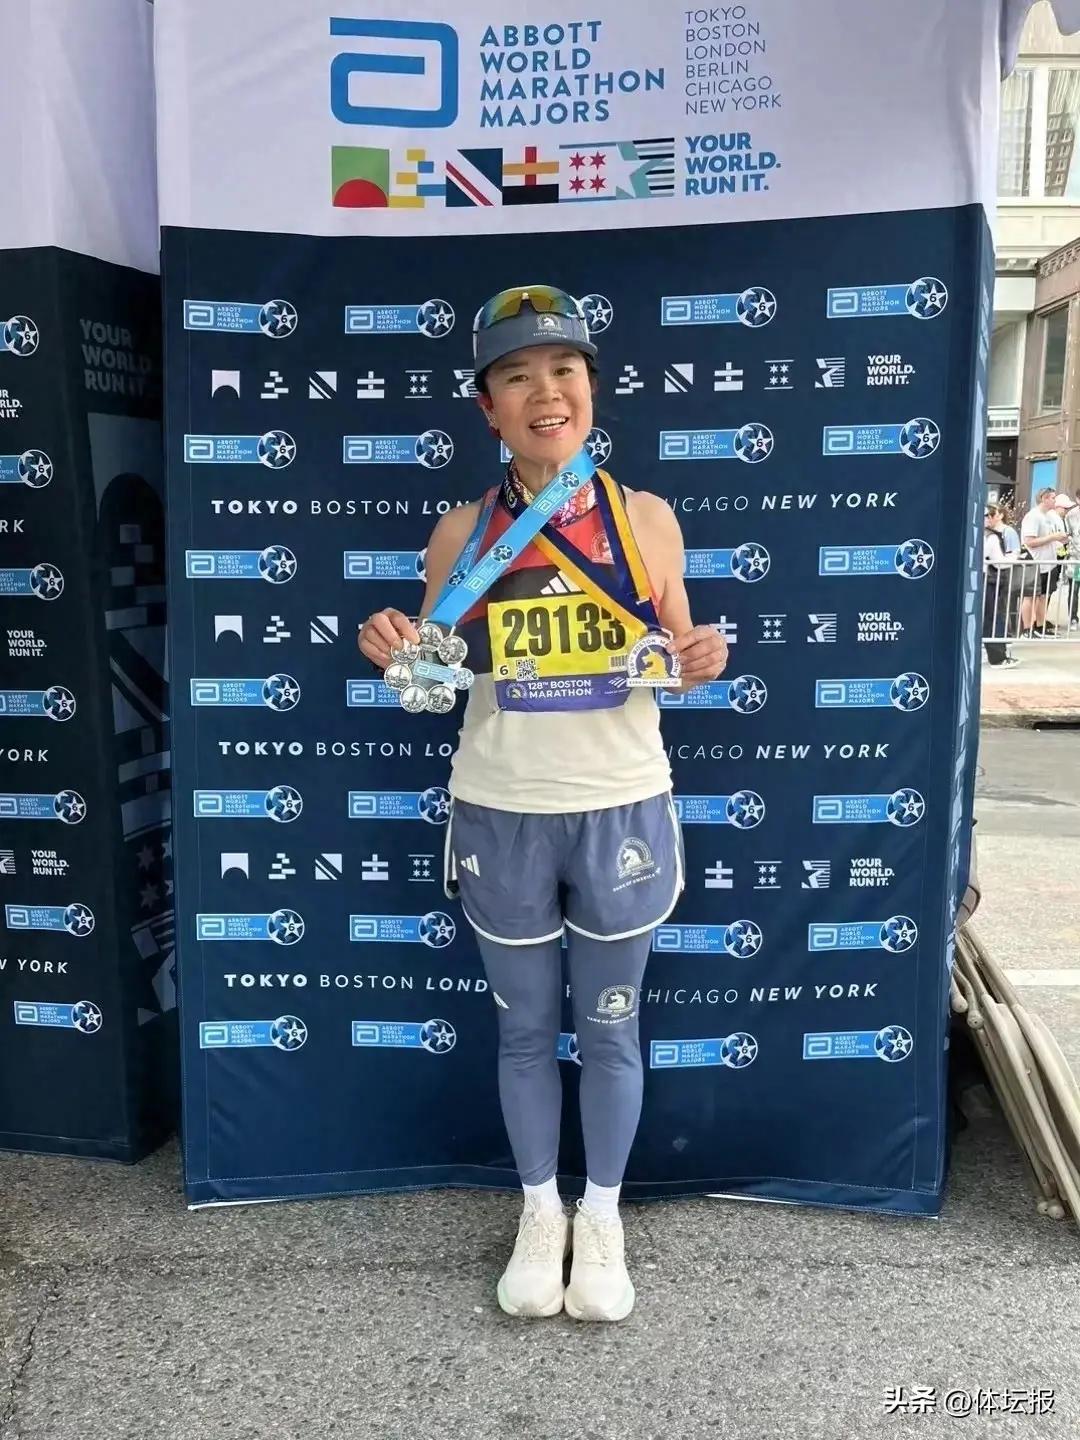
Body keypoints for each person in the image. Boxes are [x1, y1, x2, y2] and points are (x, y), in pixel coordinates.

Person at [358, 285, 728, 1323]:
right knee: (524, 1032)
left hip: (619, 805)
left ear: (591, 390)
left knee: (610, 1028)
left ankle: (600, 1214)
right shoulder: (460, 533)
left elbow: (674, 657)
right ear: (489, 407)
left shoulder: (645, 520)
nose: (544, 392)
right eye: (516, 376)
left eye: (563, 370)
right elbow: (432, 685)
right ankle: (538, 1210)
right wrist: (393, 651)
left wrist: (699, 657)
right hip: (502, 806)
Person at [1019, 487, 1068, 632]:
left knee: (1044, 596)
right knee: (1030, 596)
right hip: (1035, 562)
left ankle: (1040, 626)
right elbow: (1029, 541)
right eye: (1052, 498)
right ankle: (1027, 628)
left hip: (1049, 562)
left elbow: (1052, 537)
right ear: (1044, 498)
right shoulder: (1033, 516)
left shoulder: (1050, 517)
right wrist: (1053, 537)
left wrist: (1061, 539)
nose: (1055, 501)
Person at [983, 506, 1020, 666]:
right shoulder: (990, 537)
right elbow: (999, 562)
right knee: (992, 619)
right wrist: (1014, 558)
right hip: (986, 580)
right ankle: (997, 658)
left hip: (974, 579)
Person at [1053, 492, 1080, 626]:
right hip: (1075, 558)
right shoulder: (1071, 515)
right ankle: (1073, 618)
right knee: (1074, 589)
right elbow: (1067, 535)